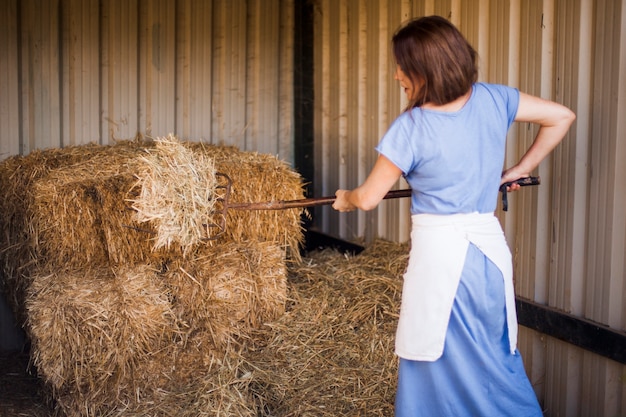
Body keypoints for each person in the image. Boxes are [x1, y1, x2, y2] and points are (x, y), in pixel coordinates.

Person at [332, 16, 575, 417]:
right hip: (488, 255)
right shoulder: (494, 99)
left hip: (444, 260)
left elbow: (370, 197)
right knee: (492, 355)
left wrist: (347, 198)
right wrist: (518, 169)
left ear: (424, 69)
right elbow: (561, 116)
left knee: (431, 354)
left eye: (402, 66)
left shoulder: (411, 127)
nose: (396, 75)